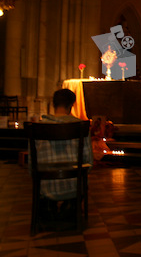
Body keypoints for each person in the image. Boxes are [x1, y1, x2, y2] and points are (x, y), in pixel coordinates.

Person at [32, 89, 93, 221]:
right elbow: (88, 161)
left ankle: (47, 206)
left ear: (53, 104)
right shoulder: (80, 126)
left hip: (45, 185)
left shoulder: (38, 127)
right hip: (74, 185)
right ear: (71, 105)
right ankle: (71, 206)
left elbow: (32, 163)